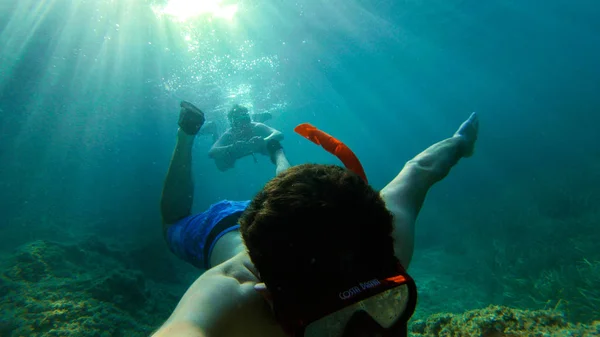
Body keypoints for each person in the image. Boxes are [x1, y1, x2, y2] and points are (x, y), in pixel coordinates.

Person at [156, 104, 479, 337]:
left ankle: (276, 153)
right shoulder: (239, 300)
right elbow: (417, 171)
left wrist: (462, 143)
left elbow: (420, 170)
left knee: (294, 193)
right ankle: (186, 138)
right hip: (220, 227)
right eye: (329, 326)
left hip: (279, 218)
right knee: (173, 222)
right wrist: (460, 144)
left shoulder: (383, 248)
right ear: (270, 298)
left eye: (386, 302)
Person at [183, 101, 291, 174]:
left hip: (258, 145)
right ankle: (213, 131)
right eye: (240, 122)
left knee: (276, 146)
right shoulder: (229, 134)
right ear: (233, 124)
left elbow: (279, 134)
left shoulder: (256, 127)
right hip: (236, 150)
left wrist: (263, 140)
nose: (245, 126)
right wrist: (231, 147)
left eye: (246, 120)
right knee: (222, 167)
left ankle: (286, 179)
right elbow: (211, 153)